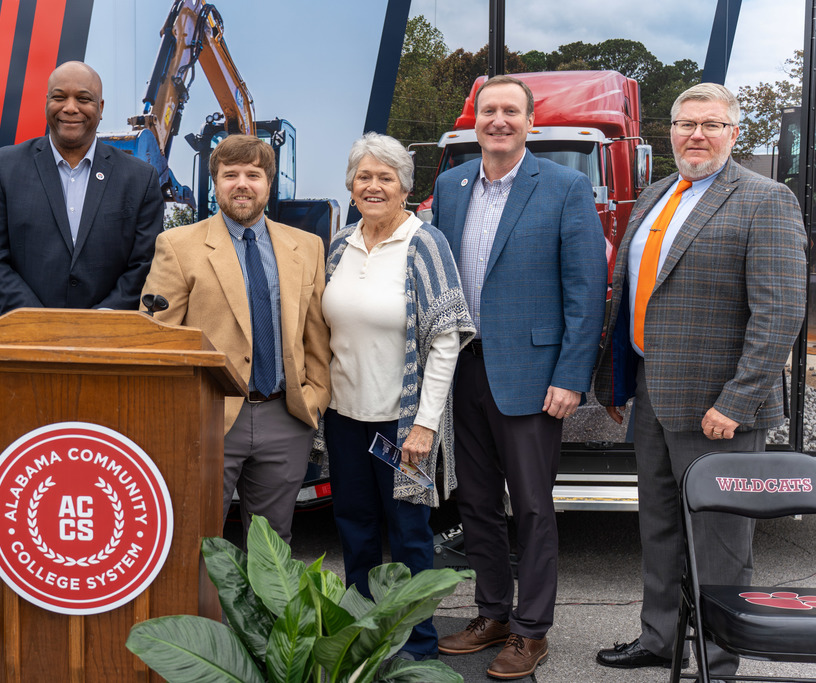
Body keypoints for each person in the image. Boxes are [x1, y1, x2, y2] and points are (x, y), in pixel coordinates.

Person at [594, 83, 806, 676]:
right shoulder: (657, 195)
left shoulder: (767, 200)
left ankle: (717, 656)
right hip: (653, 400)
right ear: (670, 132)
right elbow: (635, 297)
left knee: (718, 542)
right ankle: (660, 638)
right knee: (659, 529)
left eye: (711, 125)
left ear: (734, 134)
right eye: (686, 124)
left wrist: (738, 401)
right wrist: (618, 383)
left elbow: (780, 313)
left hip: (720, 411)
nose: (696, 135)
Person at [431, 75, 607, 679]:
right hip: (463, 371)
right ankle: (493, 614)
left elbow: (587, 292)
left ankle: (532, 630)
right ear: (473, 122)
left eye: (511, 111)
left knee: (532, 507)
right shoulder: (450, 187)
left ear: (531, 123)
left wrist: (570, 376)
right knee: (475, 502)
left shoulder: (564, 187)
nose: (498, 120)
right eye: (489, 110)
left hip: (533, 377)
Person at [323, 133, 475, 661]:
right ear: (350, 184)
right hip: (344, 418)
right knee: (354, 528)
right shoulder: (340, 246)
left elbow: (446, 340)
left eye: (385, 177)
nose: (373, 185)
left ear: (405, 187)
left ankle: (418, 648)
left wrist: (425, 424)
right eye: (364, 176)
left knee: (409, 534)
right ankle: (365, 641)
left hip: (401, 425)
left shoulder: (424, 244)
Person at [140, 134, 330, 542]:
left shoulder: (308, 247)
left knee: (272, 548)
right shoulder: (178, 246)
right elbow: (158, 339)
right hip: (208, 419)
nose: (241, 183)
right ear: (215, 183)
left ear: (268, 183)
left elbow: (316, 335)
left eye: (253, 174)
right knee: (196, 543)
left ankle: (263, 612)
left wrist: (314, 398)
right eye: (230, 175)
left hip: (286, 418)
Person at [0, 61, 164, 313]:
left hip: (108, 339)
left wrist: (100, 321)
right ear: (46, 103)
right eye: (59, 97)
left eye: (83, 99)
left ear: (101, 107)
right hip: (23, 338)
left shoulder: (140, 178)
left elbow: (145, 263)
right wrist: (37, 319)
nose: (70, 108)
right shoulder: (3, 168)